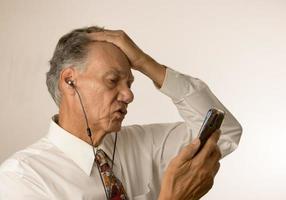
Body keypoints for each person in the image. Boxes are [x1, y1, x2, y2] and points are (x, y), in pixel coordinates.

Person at [0, 26, 242, 200]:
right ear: (69, 81)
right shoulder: (22, 178)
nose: (128, 95)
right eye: (113, 80)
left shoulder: (141, 144)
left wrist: (147, 63)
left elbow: (226, 133)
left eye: (130, 83)